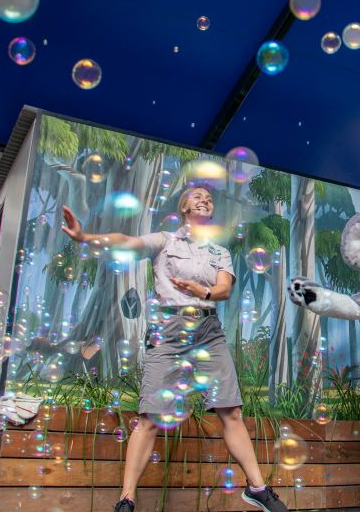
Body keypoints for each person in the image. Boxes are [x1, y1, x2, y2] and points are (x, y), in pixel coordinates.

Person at [61, 186, 288, 512]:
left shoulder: (219, 252)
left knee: (231, 412)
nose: (204, 199)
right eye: (197, 195)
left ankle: (258, 488)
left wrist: (205, 293)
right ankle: (126, 498)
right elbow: (126, 242)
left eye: (209, 198)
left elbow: (223, 288)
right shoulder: (164, 241)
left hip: (209, 332)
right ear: (183, 206)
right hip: (168, 333)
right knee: (150, 419)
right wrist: (86, 237)